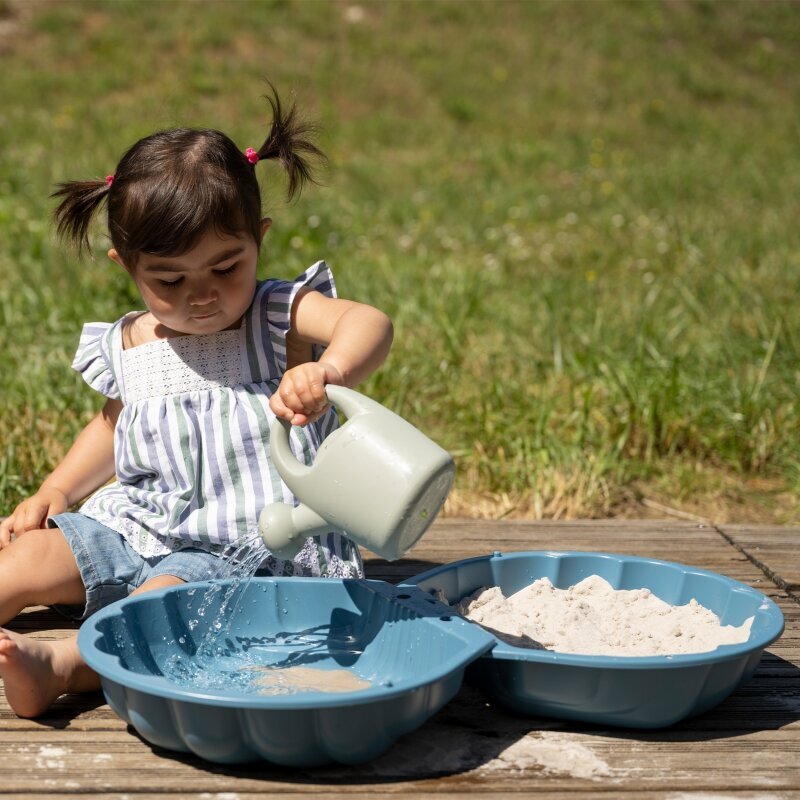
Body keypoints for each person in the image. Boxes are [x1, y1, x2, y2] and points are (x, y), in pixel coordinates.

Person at [0, 87, 393, 718]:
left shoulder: (273, 315)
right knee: (30, 557)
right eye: (170, 280)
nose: (202, 295)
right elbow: (113, 426)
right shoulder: (131, 340)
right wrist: (57, 490)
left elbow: (370, 322)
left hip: (249, 545)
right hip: (144, 522)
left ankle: (67, 666)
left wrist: (329, 367)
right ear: (127, 266)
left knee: (164, 599)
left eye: (225, 267)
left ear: (258, 240)